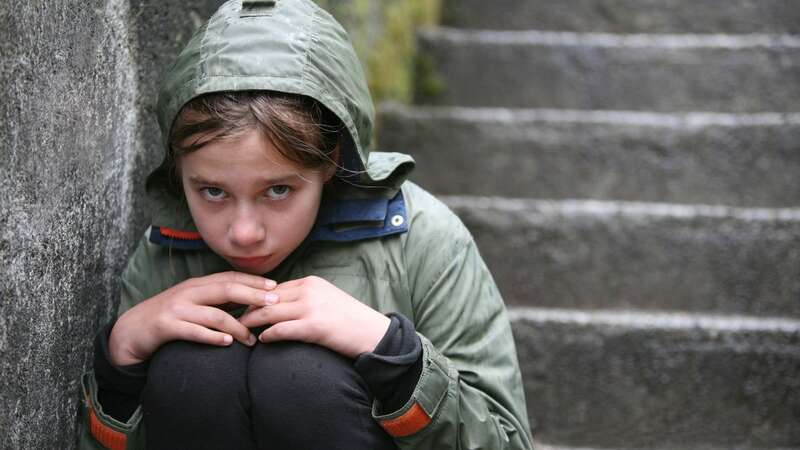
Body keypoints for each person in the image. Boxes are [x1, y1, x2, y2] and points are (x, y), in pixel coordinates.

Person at [78, 0, 533, 449]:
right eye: (212, 192)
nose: (244, 232)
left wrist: (395, 356)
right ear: (179, 174)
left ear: (330, 162)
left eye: (278, 191)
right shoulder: (164, 250)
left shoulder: (422, 236)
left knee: (298, 376)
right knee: (192, 369)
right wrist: (120, 368)